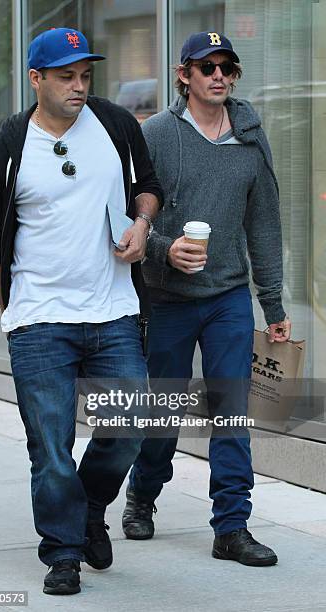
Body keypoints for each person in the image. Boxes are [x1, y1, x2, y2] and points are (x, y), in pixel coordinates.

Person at [0, 27, 162, 596]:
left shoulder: (117, 126)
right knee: (50, 445)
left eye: (85, 75)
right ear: (37, 79)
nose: (79, 87)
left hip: (113, 310)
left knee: (131, 425)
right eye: (65, 77)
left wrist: (142, 224)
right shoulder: (7, 149)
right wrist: (12, 315)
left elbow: (148, 188)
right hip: (39, 319)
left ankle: (88, 510)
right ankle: (61, 553)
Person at [122, 31, 291, 567]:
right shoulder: (157, 134)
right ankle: (142, 495)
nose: (218, 75)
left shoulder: (249, 137)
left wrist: (275, 304)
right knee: (165, 413)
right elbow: (126, 217)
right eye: (207, 67)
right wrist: (165, 250)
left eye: (227, 67)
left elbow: (263, 224)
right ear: (184, 75)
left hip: (228, 299)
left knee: (231, 412)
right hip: (168, 298)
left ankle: (232, 527)